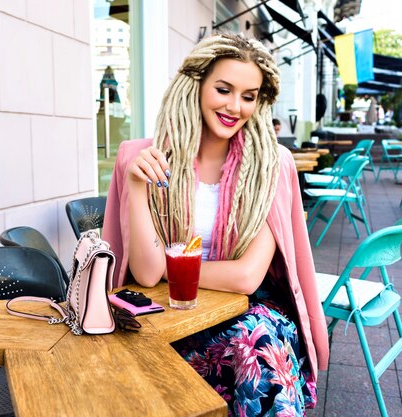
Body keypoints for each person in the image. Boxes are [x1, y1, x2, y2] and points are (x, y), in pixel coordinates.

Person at [102, 33, 329, 416]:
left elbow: (246, 278)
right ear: (197, 85)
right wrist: (137, 187)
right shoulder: (140, 157)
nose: (234, 106)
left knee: (256, 342)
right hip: (164, 319)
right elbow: (146, 272)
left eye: (248, 95)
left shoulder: (271, 166)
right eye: (223, 89)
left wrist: (172, 270)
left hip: (244, 312)